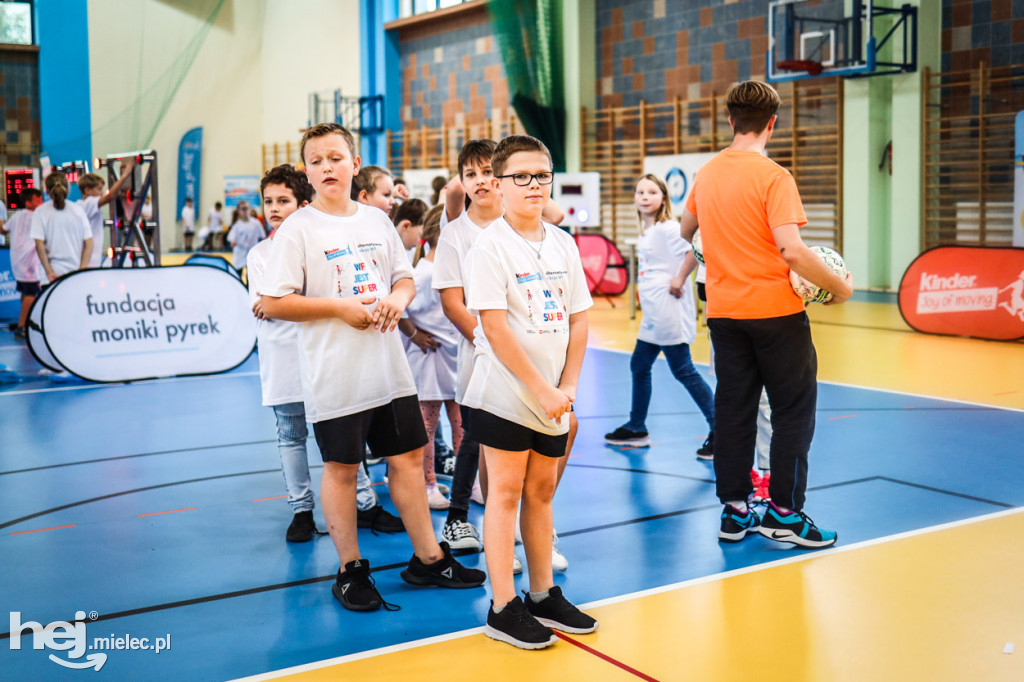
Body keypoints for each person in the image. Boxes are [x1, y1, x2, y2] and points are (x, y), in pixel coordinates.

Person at [260, 123, 484, 612]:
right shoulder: (298, 229)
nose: (327, 167)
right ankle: (350, 570)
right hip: (335, 376)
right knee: (341, 469)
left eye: (335, 158)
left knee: (406, 460)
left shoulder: (375, 221)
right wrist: (339, 308)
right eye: (316, 161)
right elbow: (274, 302)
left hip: (389, 372)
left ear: (354, 164)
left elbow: (403, 279)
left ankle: (428, 558)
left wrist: (395, 302)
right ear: (307, 172)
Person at [679, 80, 853, 548]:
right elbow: (791, 250)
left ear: (731, 120)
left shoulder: (708, 172)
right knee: (793, 413)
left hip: (724, 315)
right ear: (772, 124)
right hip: (776, 315)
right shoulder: (775, 177)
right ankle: (784, 513)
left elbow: (686, 228)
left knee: (734, 412)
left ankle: (735, 513)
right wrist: (839, 287)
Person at [463, 134, 597, 649]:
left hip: (552, 397)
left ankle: (542, 593)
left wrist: (567, 384)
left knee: (541, 494)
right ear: (498, 184)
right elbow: (495, 328)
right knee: (505, 495)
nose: (534, 184)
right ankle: (503, 606)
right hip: (504, 394)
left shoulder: (562, 241)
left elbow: (579, 319)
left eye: (542, 174)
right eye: (521, 176)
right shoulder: (489, 245)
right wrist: (540, 387)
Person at [248, 164, 404, 541]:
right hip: (284, 357)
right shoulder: (261, 254)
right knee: (291, 434)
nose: (273, 208)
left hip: (330, 357)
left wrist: (301, 302)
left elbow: (307, 299)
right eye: (268, 201)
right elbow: (268, 307)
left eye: (283, 200)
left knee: (346, 437)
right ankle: (301, 510)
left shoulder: (322, 239)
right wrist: (303, 303)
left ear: (302, 204)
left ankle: (365, 504)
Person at [604, 174, 715, 457]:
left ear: (663, 197)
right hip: (653, 314)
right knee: (640, 365)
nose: (644, 196)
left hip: (668, 310)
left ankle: (720, 430)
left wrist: (679, 278)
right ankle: (637, 427)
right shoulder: (650, 230)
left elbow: (696, 249)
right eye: (640, 191)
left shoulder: (668, 228)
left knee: (683, 370)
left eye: (651, 192)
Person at [433, 138, 502, 553]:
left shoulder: (519, 222)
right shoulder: (455, 235)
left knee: (524, 443)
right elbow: (451, 302)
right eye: (471, 174)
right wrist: (488, 340)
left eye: (489, 171)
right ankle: (458, 517)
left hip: (527, 357)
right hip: (480, 353)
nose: (481, 181)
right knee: (475, 435)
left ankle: (531, 530)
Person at [406, 206, 462, 510]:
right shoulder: (423, 273)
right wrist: (416, 334)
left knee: (463, 426)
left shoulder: (455, 270)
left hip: (456, 361)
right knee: (427, 428)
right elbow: (399, 309)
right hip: (428, 362)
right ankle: (427, 484)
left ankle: (471, 483)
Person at [32, 171, 92, 287]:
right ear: (68, 188)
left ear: (46, 190)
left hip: (51, 278)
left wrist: (49, 273)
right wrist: (82, 269)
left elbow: (39, 246)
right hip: (74, 275)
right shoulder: (78, 210)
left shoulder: (40, 212)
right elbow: (89, 243)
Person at [76, 164, 134, 267]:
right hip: (90, 259)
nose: (102, 193)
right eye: (99, 189)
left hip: (88, 257)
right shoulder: (88, 203)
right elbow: (110, 197)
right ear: (87, 190)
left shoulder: (79, 204)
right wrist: (125, 175)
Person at [6, 189, 44, 339]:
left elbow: (3, 230)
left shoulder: (16, 216)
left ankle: (26, 321)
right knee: (30, 294)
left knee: (25, 292)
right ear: (28, 202)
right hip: (29, 264)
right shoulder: (37, 217)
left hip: (18, 263)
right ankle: (22, 327)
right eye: (38, 200)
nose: (41, 203)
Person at [227, 201, 264, 275]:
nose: (245, 211)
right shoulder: (237, 226)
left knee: (251, 277)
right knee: (238, 275)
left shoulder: (256, 223)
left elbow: (262, 237)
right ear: (239, 211)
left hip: (252, 255)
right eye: (243, 209)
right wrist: (233, 242)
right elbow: (231, 239)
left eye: (247, 208)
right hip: (240, 255)